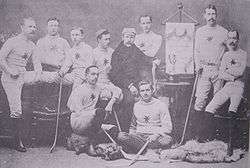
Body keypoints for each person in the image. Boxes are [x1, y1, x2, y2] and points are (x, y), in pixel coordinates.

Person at [0, 17, 41, 152]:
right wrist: (10, 70)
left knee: (45, 82)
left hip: (23, 74)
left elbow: (37, 63)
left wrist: (37, 75)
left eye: (34, 27)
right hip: (10, 76)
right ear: (22, 27)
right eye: (30, 26)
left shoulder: (32, 45)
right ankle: (17, 141)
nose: (33, 29)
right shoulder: (12, 42)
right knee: (17, 108)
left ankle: (28, 136)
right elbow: (1, 58)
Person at [67, 65, 122, 155]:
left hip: (92, 120)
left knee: (113, 130)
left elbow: (118, 90)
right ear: (86, 76)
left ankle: (84, 143)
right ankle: (90, 144)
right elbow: (78, 112)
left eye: (97, 74)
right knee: (99, 112)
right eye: (92, 74)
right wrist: (94, 113)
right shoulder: (79, 90)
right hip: (78, 121)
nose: (95, 77)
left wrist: (111, 103)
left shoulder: (97, 87)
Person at [192, 5, 228, 141]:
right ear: (204, 16)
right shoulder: (200, 31)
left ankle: (214, 135)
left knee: (217, 101)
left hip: (218, 70)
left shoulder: (223, 32)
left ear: (216, 15)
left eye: (213, 13)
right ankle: (199, 136)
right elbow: (196, 51)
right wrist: (198, 65)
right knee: (200, 100)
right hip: (204, 70)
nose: (211, 16)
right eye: (208, 14)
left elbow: (230, 49)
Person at [108, 28, 152, 132]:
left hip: (136, 83)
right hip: (122, 84)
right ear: (122, 37)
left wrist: (154, 61)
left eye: (132, 37)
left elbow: (145, 59)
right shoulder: (116, 53)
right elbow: (115, 75)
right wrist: (129, 85)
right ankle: (125, 131)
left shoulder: (135, 49)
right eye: (127, 37)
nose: (129, 39)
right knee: (129, 101)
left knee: (150, 97)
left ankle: (145, 129)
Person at [117, 80, 172, 159]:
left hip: (155, 138)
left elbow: (168, 127)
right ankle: (151, 150)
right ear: (139, 92)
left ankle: (141, 150)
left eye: (147, 90)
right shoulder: (136, 105)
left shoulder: (161, 105)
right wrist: (132, 136)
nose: (145, 93)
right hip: (140, 138)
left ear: (152, 91)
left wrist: (156, 135)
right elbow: (133, 126)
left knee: (167, 140)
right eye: (142, 91)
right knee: (121, 136)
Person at [205, 30, 247, 118]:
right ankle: (211, 131)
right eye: (230, 38)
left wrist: (227, 70)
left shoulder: (243, 54)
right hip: (227, 87)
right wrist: (233, 77)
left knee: (232, 111)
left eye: (234, 38)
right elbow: (221, 74)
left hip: (239, 87)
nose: (232, 41)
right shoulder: (226, 55)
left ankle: (231, 132)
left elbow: (240, 72)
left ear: (238, 40)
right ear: (227, 40)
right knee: (209, 108)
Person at [135, 15, 162, 82]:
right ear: (140, 25)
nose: (146, 26)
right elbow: (136, 53)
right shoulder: (137, 38)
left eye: (148, 23)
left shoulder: (157, 37)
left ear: (151, 23)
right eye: (143, 23)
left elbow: (152, 54)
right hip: (139, 64)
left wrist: (142, 50)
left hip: (151, 65)